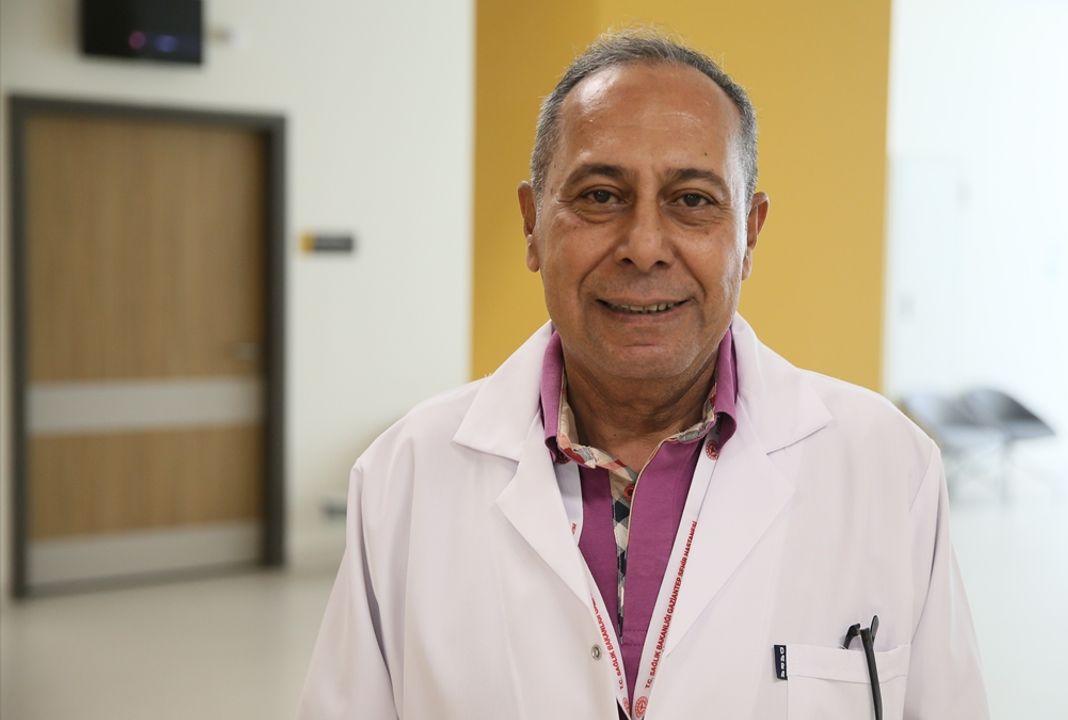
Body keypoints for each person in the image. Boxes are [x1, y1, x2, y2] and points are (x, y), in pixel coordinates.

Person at [298, 29, 988, 720]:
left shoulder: (888, 468)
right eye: (601, 195)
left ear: (750, 233)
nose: (645, 246)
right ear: (532, 225)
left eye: (692, 200)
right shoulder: (405, 476)